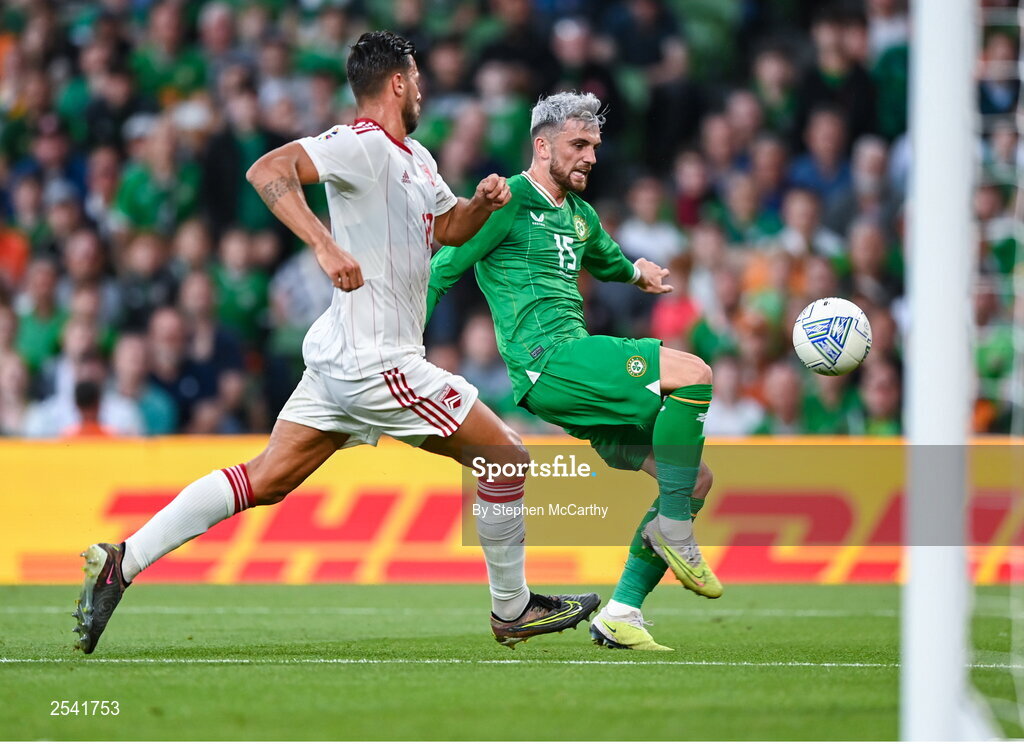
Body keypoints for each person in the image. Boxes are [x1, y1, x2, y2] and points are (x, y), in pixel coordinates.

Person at [73, 31, 598, 655]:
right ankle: (512, 608)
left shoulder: (418, 158)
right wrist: (323, 244)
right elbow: (267, 169)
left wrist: (480, 205)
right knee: (506, 459)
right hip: (380, 362)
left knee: (264, 479)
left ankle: (122, 560)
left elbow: (449, 228)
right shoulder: (361, 146)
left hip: (341, 360)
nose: (424, 88)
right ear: (397, 83)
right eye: (418, 77)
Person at [428, 91, 721, 653]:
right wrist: (395, 343)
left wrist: (640, 274)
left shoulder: (579, 215)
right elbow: (445, 268)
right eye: (577, 145)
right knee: (694, 372)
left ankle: (622, 614)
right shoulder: (507, 200)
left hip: (572, 372)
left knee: (693, 477)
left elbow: (609, 260)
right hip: (549, 360)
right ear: (542, 146)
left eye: (594, 147)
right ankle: (676, 529)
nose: (589, 156)